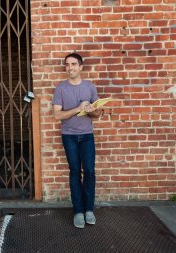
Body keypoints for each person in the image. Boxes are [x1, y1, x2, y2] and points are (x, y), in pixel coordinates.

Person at [52, 53, 101, 228]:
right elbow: (57, 114)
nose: (70, 67)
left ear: (81, 67)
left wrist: (90, 110)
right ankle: (78, 211)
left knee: (89, 171)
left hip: (87, 135)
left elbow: (98, 113)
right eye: (67, 65)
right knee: (74, 172)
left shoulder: (90, 86)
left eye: (73, 64)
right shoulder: (61, 88)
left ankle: (89, 210)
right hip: (69, 136)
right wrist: (77, 109)